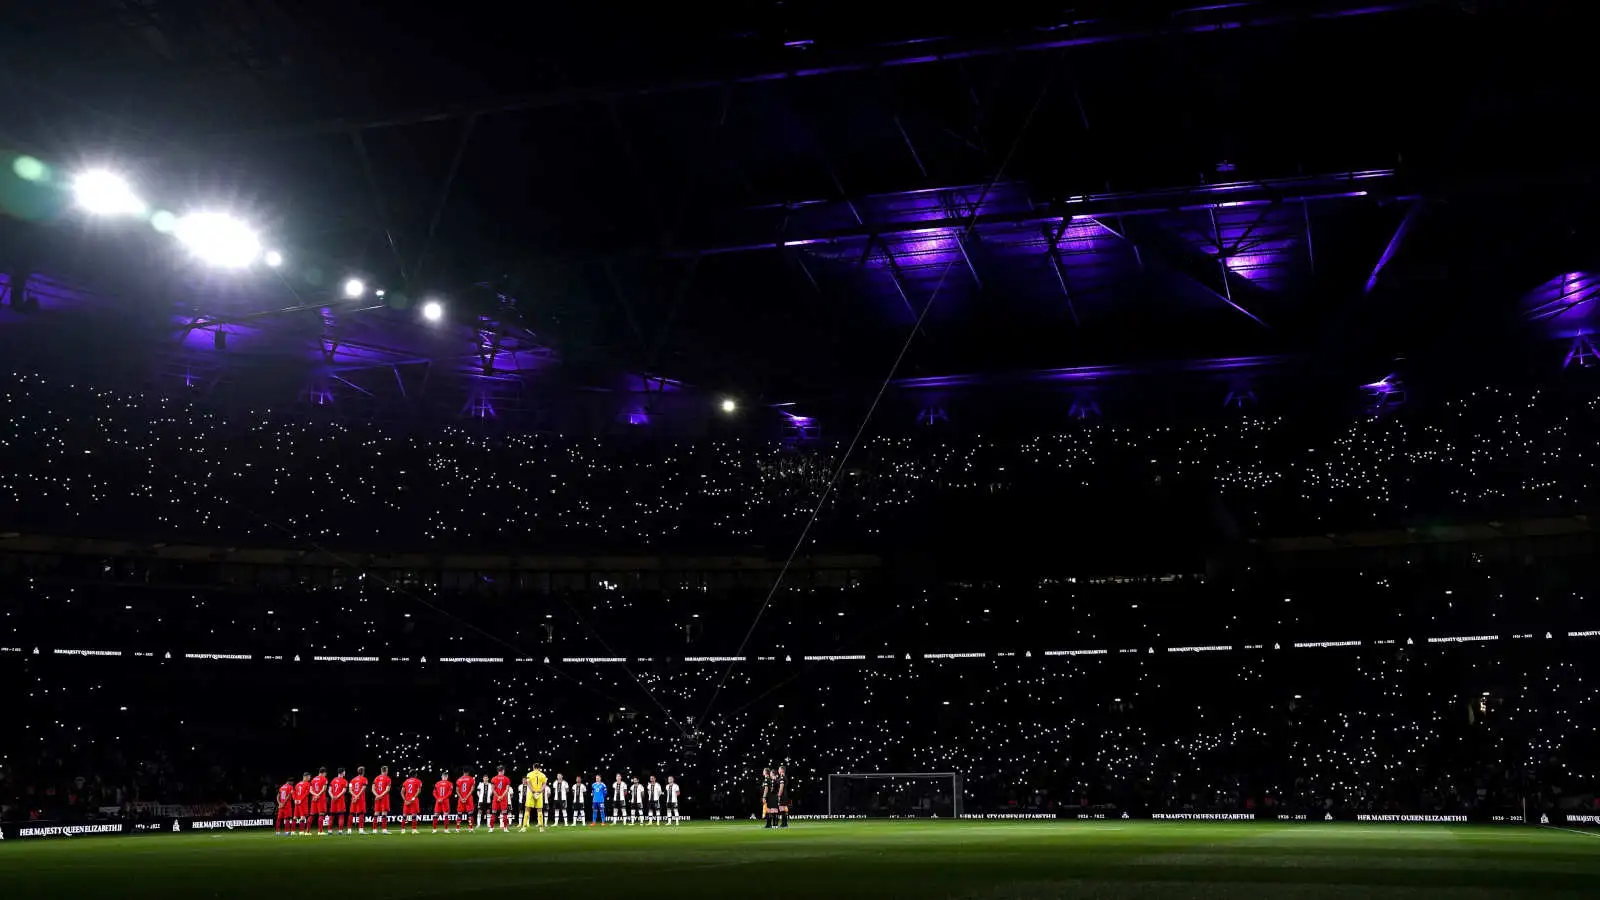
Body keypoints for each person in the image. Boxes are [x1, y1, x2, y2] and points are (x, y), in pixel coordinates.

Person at [522, 765, 547, 832]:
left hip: (531, 793)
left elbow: (528, 783)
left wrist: (533, 791)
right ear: (539, 768)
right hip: (539, 793)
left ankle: (524, 827)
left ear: (533, 767)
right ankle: (541, 828)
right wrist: (540, 791)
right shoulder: (543, 775)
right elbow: (544, 784)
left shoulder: (529, 774)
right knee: (540, 810)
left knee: (527, 809)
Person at [490, 766, 513, 832]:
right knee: (504, 813)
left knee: (494, 813)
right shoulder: (506, 778)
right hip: (503, 798)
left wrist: (498, 796)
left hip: (496, 798)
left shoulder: (493, 778)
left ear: (497, 771)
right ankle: (505, 828)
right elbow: (507, 789)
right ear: (503, 770)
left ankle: (491, 828)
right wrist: (502, 796)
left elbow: (492, 789)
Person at [372, 766, 394, 834]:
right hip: (384, 798)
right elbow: (387, 790)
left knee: (376, 813)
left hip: (377, 797)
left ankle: (374, 830)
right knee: (384, 813)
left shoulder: (376, 778)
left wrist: (377, 795)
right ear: (386, 770)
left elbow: (372, 789)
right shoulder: (388, 779)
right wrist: (380, 796)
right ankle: (384, 830)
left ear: (381, 770)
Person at [349, 767, 370, 834]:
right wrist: (357, 796)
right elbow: (363, 788)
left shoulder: (352, 780)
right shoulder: (364, 779)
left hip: (353, 798)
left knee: (351, 813)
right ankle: (361, 830)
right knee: (361, 814)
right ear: (363, 772)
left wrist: (354, 796)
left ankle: (349, 830)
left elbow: (350, 790)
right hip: (360, 798)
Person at [455, 769, 477, 833]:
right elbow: (472, 789)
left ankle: (457, 828)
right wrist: (467, 797)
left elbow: (457, 790)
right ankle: (471, 828)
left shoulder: (459, 779)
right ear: (468, 772)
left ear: (463, 772)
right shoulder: (471, 779)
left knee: (459, 813)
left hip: (461, 798)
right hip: (469, 798)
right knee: (470, 814)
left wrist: (461, 798)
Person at [310, 767, 330, 834]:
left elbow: (310, 790)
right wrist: (318, 795)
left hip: (314, 799)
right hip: (320, 799)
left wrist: (315, 795)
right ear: (324, 772)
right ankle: (320, 831)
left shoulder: (313, 779)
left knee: (312, 815)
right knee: (321, 814)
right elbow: (324, 789)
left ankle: (307, 831)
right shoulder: (324, 779)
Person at [329, 768, 349, 834]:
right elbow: (344, 791)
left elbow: (329, 790)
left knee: (332, 815)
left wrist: (332, 796)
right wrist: (337, 796)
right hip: (340, 800)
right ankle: (340, 831)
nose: (345, 773)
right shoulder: (344, 781)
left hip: (333, 800)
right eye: (344, 772)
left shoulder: (333, 780)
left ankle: (329, 831)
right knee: (341, 815)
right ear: (342, 772)